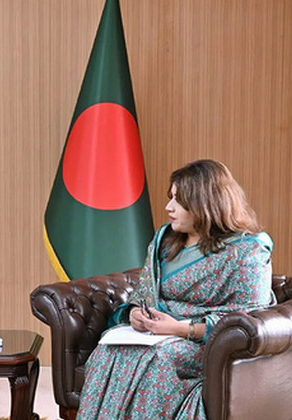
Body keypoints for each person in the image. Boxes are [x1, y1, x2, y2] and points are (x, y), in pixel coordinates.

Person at [76, 159, 273, 420]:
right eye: (171, 197)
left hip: (204, 344)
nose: (169, 207)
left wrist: (180, 328)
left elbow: (249, 320)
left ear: (204, 203)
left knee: (157, 359)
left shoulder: (247, 251)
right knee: (106, 352)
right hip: (154, 334)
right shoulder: (166, 241)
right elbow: (144, 293)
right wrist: (135, 313)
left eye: (178, 201)